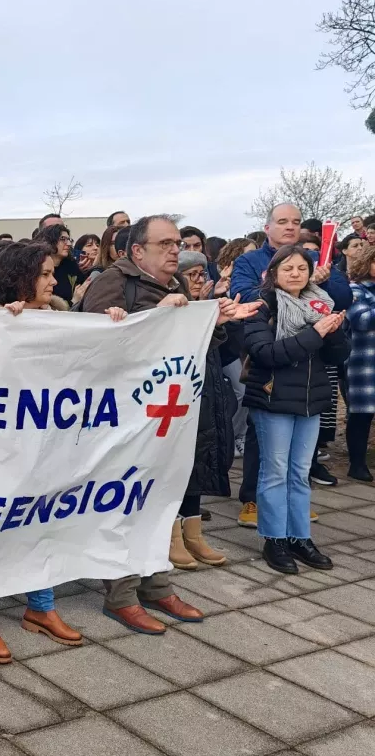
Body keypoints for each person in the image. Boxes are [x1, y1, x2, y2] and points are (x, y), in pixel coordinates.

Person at [81, 215, 255, 634]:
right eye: (165, 243)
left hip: (164, 418)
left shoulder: (175, 286)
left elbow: (185, 351)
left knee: (161, 502)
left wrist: (212, 324)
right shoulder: (113, 282)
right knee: (123, 505)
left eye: (177, 242)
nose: (175, 250)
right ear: (137, 251)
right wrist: (156, 316)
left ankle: (156, 584)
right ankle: (121, 594)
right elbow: (90, 344)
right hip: (124, 421)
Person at [0, 242, 120, 663]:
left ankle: (41, 606)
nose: (54, 281)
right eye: (46, 274)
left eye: (53, 273)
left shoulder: (60, 321)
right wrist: (4, 328)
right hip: (0, 446)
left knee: (43, 522)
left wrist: (115, 327)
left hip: (47, 445)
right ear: (19, 278)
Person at [243, 244, 349, 574]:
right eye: (287, 268)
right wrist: (316, 334)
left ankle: (300, 536)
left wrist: (332, 333)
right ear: (273, 273)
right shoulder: (262, 306)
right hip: (273, 398)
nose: (295, 274)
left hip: (311, 400)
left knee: (300, 474)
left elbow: (337, 356)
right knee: (274, 472)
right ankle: (274, 539)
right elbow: (265, 353)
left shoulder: (320, 304)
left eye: (302, 268)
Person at [232, 205, 353, 489]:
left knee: (300, 442)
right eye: (282, 221)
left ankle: (296, 495)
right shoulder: (250, 261)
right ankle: (251, 497)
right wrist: (297, 285)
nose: (290, 227)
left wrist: (319, 282)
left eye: (295, 222)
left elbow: (343, 297)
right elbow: (245, 294)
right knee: (260, 437)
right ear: (267, 228)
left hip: (310, 363)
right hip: (268, 357)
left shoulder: (314, 258)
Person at [169, 250, 240, 569]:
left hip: (207, 394)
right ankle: (170, 536)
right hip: (176, 400)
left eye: (202, 274)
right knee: (174, 469)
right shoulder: (169, 308)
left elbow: (221, 352)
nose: (200, 280)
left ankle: (193, 533)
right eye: (193, 274)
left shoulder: (206, 309)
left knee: (199, 463)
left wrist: (219, 316)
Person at [217, 239, 258, 462]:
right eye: (248, 254)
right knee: (241, 391)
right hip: (226, 348)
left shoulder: (252, 279)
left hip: (243, 344)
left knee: (246, 391)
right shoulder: (221, 279)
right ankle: (231, 437)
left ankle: (240, 435)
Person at [346, 242, 375, 482]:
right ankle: (357, 464)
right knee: (361, 415)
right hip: (364, 363)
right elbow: (362, 320)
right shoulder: (355, 290)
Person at [36, 222, 77, 306]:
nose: (68, 244)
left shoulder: (71, 266)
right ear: (50, 240)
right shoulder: (36, 267)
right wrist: (74, 301)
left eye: (69, 240)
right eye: (63, 239)